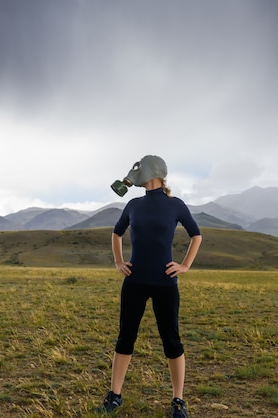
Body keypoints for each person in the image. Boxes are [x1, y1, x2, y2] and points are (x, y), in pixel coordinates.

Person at [98, 155, 202, 417]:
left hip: (165, 283)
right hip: (134, 282)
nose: (135, 171)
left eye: (140, 167)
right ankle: (115, 395)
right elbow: (116, 232)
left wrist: (185, 265)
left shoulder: (175, 205)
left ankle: (178, 400)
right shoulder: (133, 204)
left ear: (153, 172)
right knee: (125, 337)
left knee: (172, 340)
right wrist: (119, 262)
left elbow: (196, 234)